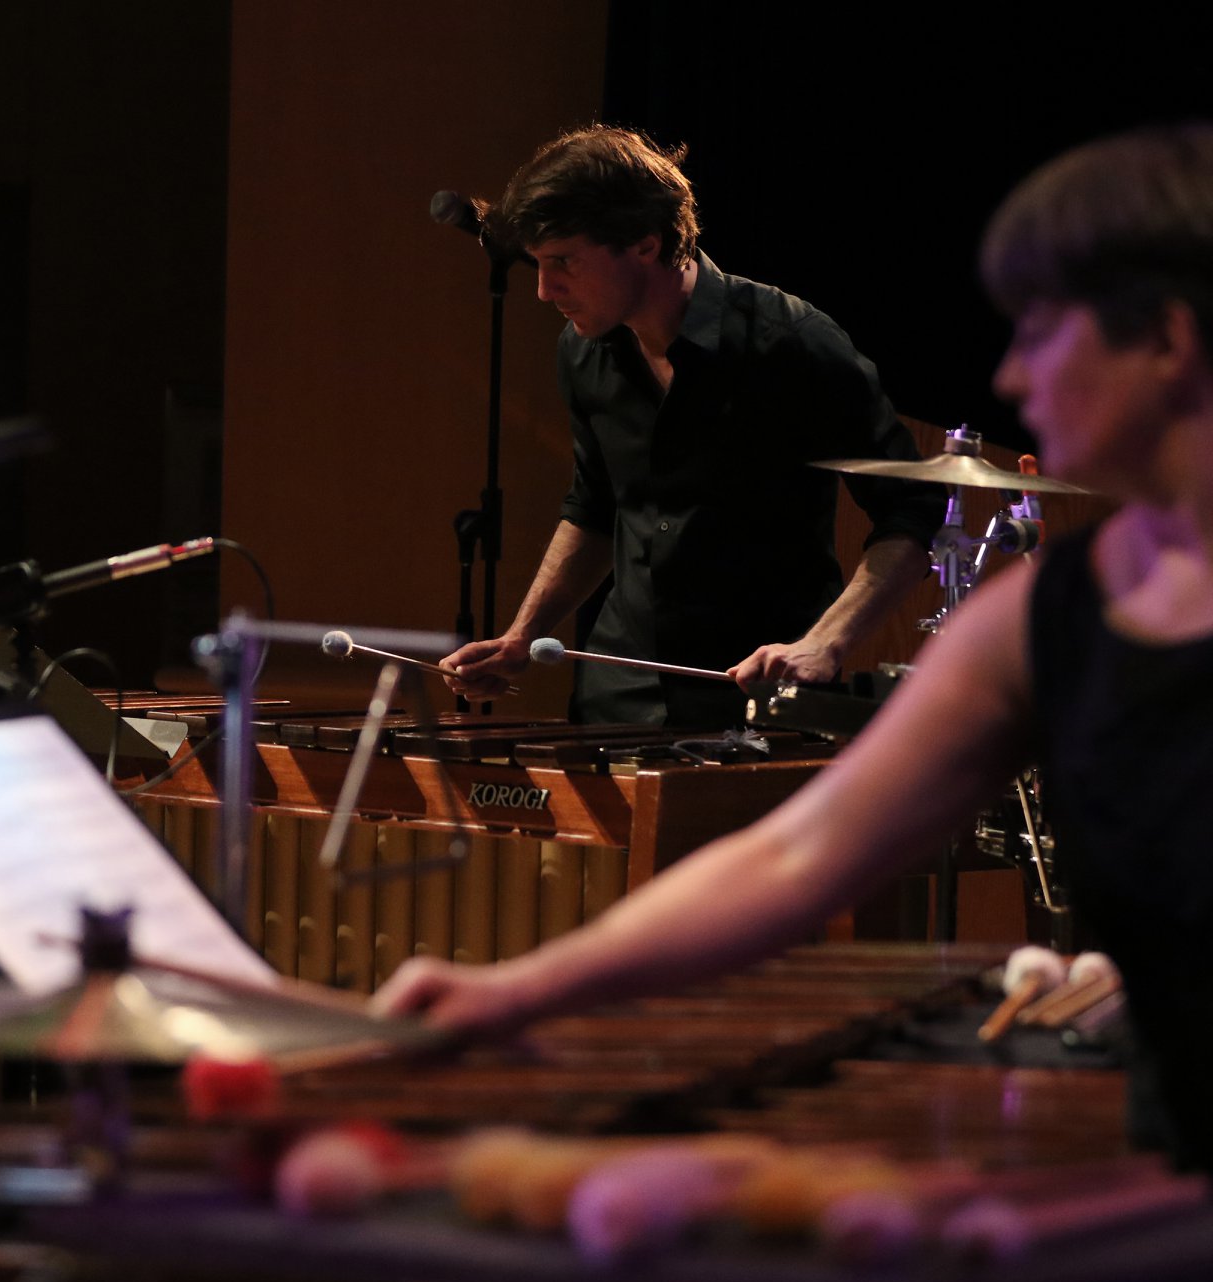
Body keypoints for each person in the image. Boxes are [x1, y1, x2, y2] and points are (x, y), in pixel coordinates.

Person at [381, 123, 1213, 1169]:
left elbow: (897, 523)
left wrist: (823, 644)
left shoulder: (792, 343)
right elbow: (793, 853)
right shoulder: (1037, 626)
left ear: (1169, 341)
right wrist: (516, 988)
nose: (1008, 374)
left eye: (1044, 328)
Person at [441, 125, 940, 727]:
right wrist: (523, 636)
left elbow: (910, 509)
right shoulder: (583, 353)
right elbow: (596, 507)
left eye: (563, 262)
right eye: (539, 267)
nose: (545, 291)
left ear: (645, 245)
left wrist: (824, 643)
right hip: (616, 693)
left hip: (761, 695)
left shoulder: (791, 344)